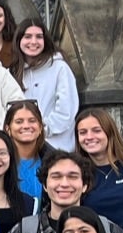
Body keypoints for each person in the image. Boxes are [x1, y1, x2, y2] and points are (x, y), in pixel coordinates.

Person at [15, 20, 79, 150]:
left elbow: (66, 111)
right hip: (24, 149)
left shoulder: (60, 68)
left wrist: (40, 130)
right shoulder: (14, 72)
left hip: (57, 148)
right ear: (19, 40)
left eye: (39, 37)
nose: (33, 42)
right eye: (27, 37)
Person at [4, 100, 49, 197]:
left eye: (32, 121)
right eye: (19, 122)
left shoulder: (53, 161)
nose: (26, 126)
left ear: (40, 127)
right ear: (8, 129)